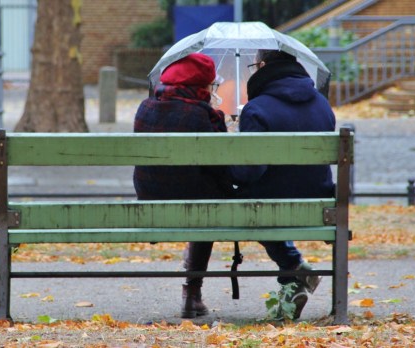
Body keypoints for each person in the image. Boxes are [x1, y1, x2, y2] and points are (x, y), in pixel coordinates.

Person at [232, 49, 336, 320]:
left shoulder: (256, 109)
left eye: (254, 66)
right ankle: (294, 278)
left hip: (270, 204)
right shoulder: (322, 104)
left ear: (263, 65)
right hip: (320, 203)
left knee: (246, 200)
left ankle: (293, 267)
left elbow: (249, 172)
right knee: (266, 194)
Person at [133, 53, 233, 319]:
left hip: (150, 197)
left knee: (196, 192)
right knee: (206, 205)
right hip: (196, 203)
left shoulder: (145, 106)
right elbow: (221, 168)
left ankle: (192, 292)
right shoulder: (203, 115)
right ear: (202, 85)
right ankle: (192, 293)